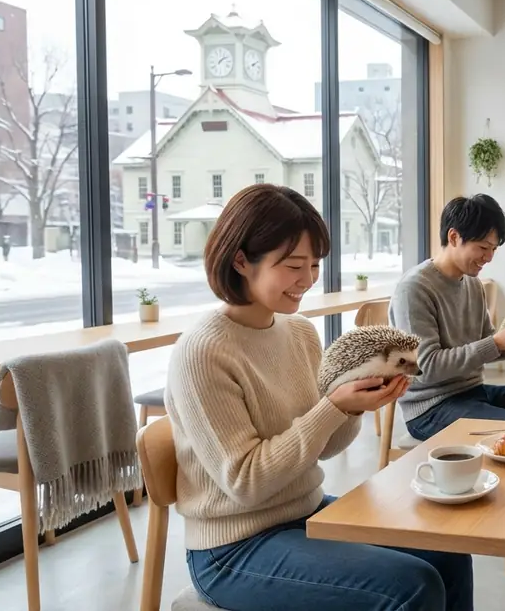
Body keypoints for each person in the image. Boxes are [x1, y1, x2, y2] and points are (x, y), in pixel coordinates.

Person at [165, 184, 472, 611]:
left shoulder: (300, 333)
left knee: (448, 554)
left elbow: (324, 449)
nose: (308, 280)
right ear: (240, 261)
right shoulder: (203, 352)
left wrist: (351, 407)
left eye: (314, 264)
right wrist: (333, 407)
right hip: (232, 548)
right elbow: (246, 483)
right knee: (412, 585)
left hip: (304, 512)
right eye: (293, 265)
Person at [390, 193, 505, 584]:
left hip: (472, 393)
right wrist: (498, 345)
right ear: (454, 236)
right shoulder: (415, 288)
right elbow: (425, 368)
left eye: (493, 249)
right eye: (483, 247)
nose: (488, 257)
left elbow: (482, 351)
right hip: (430, 407)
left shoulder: (472, 285)